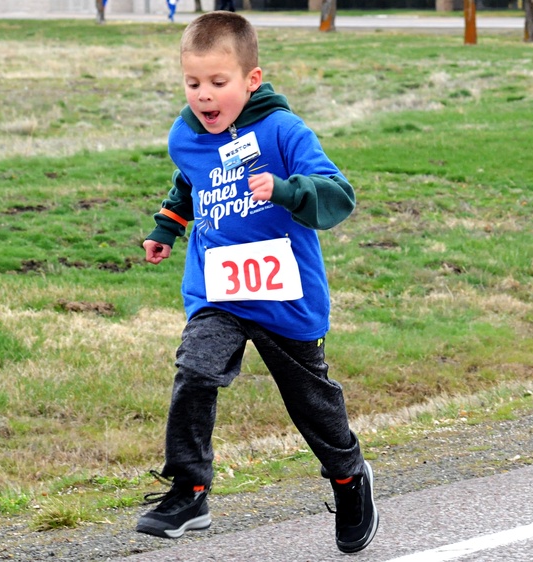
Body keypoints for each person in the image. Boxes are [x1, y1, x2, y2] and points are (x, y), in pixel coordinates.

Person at [136, 11, 378, 555]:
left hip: (284, 295)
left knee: (311, 404)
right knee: (195, 369)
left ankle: (348, 477)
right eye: (193, 83)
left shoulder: (283, 131)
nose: (204, 96)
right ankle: (190, 488)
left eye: (218, 83)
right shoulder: (188, 134)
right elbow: (191, 180)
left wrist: (289, 191)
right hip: (219, 289)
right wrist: (168, 227)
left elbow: (339, 195)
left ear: (251, 80)